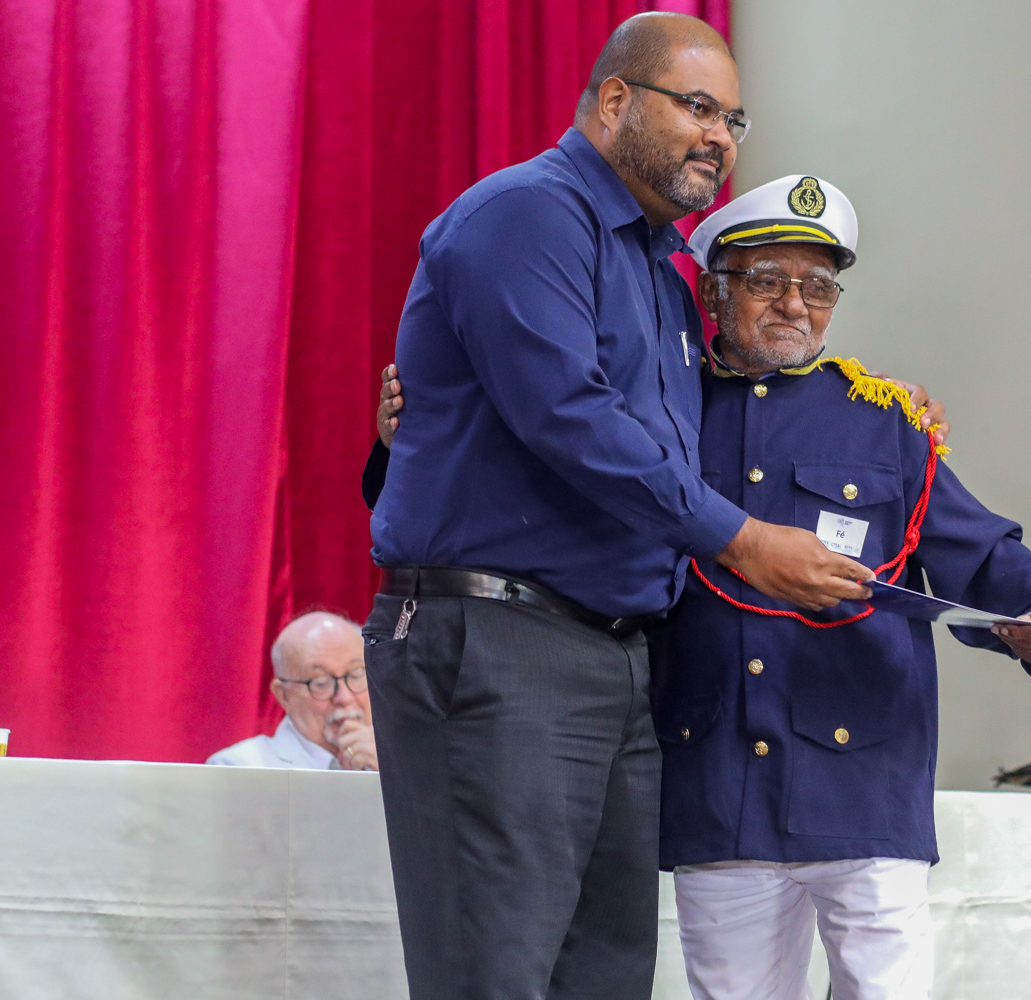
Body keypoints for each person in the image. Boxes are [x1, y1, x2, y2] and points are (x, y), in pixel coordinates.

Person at [362, 13, 876, 1000]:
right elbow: (569, 417)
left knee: (602, 978)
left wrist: (875, 417)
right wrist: (741, 537)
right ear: (612, 100)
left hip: (618, 652)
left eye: (733, 117)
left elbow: (717, 427)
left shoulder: (661, 270)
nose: (720, 136)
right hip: (503, 641)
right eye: (696, 107)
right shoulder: (526, 216)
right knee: (495, 973)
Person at [644, 175, 1031, 1000]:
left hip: (863, 779)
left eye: (818, 287)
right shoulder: (667, 414)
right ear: (714, 289)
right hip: (717, 782)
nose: (796, 304)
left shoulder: (883, 419)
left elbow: (979, 547)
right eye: (768, 281)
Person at [208, 612, 378, 771]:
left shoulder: (398, 759)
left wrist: (392, 770)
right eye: (321, 682)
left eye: (356, 674)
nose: (344, 697)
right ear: (283, 695)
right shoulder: (239, 768)